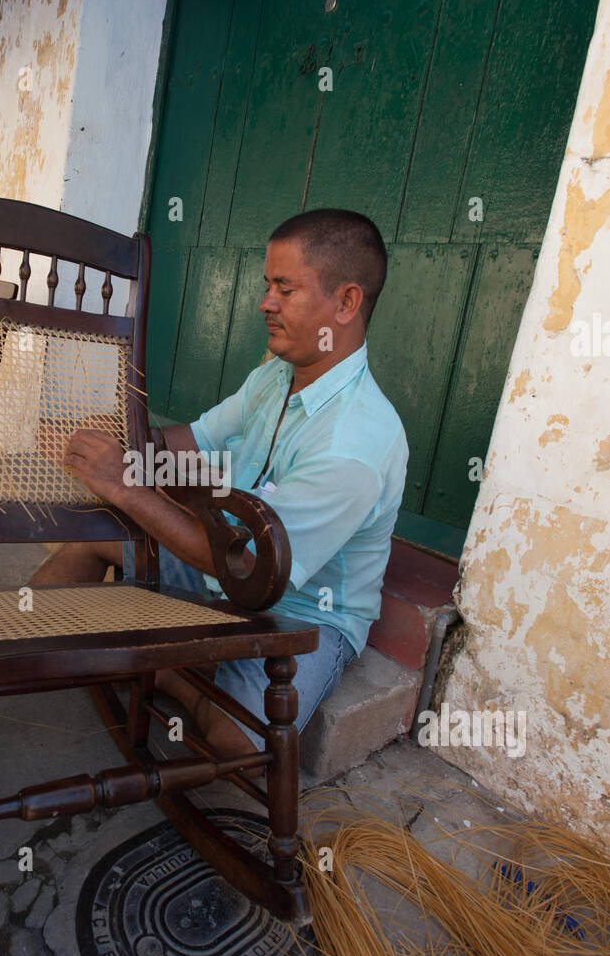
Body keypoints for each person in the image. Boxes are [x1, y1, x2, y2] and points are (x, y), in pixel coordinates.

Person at [30, 208, 408, 768]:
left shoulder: (356, 442)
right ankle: (12, 646)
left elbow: (254, 568)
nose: (266, 302)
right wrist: (116, 446)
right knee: (96, 528)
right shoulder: (275, 375)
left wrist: (126, 484)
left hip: (303, 613)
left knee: (233, 746)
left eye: (285, 288)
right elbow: (197, 439)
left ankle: (163, 668)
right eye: (266, 286)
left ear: (346, 303)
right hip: (222, 566)